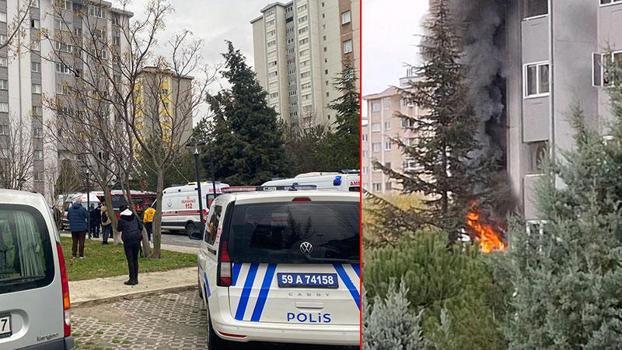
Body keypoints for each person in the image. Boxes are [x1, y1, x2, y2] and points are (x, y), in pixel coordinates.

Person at [117, 205, 143, 285]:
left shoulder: (121, 219)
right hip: (137, 238)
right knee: (135, 259)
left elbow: (119, 229)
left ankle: (132, 279)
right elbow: (141, 226)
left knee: (130, 259)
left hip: (128, 239)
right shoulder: (134, 216)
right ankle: (136, 278)